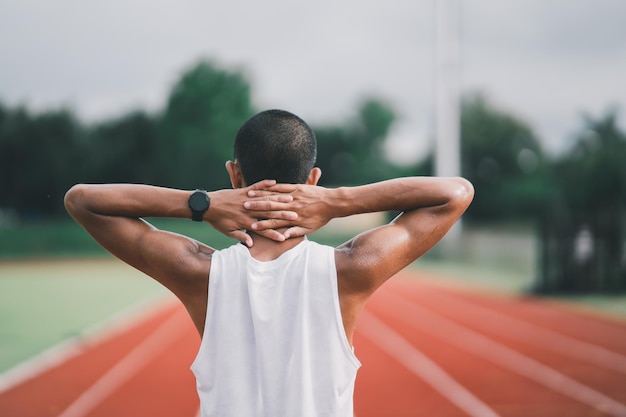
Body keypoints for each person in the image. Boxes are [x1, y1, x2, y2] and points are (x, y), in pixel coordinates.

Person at [64, 109, 474, 417]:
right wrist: (338, 201)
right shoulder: (350, 268)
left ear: (233, 175)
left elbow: (82, 200)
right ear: (312, 179)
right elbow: (455, 193)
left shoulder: (198, 272)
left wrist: (201, 204)